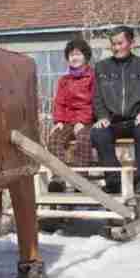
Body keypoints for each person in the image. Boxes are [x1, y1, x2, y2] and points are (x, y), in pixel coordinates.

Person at [90, 26, 140, 194]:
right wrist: (101, 116)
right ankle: (114, 180)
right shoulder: (101, 68)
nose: (116, 48)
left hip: (136, 120)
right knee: (98, 133)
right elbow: (97, 97)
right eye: (113, 44)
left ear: (131, 43)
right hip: (112, 121)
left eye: (119, 43)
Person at [47, 38, 95, 193]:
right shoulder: (64, 80)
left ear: (86, 57)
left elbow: (96, 101)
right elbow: (59, 102)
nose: (74, 58)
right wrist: (59, 121)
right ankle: (59, 178)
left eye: (78, 54)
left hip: (86, 120)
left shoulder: (93, 78)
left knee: (83, 138)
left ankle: (80, 179)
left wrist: (84, 121)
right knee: (54, 138)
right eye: (71, 55)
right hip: (67, 120)